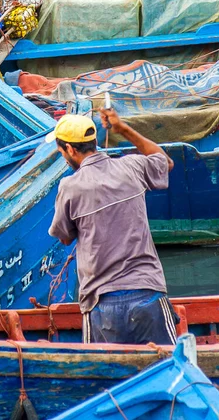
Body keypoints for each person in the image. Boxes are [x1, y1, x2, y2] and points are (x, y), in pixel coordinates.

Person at [46, 111, 177, 345]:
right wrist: (124, 129)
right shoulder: (132, 166)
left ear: (71, 149)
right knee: (170, 368)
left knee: (104, 378)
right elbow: (165, 162)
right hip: (148, 292)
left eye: (61, 151)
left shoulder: (69, 187)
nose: (63, 157)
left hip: (101, 303)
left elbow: (64, 237)